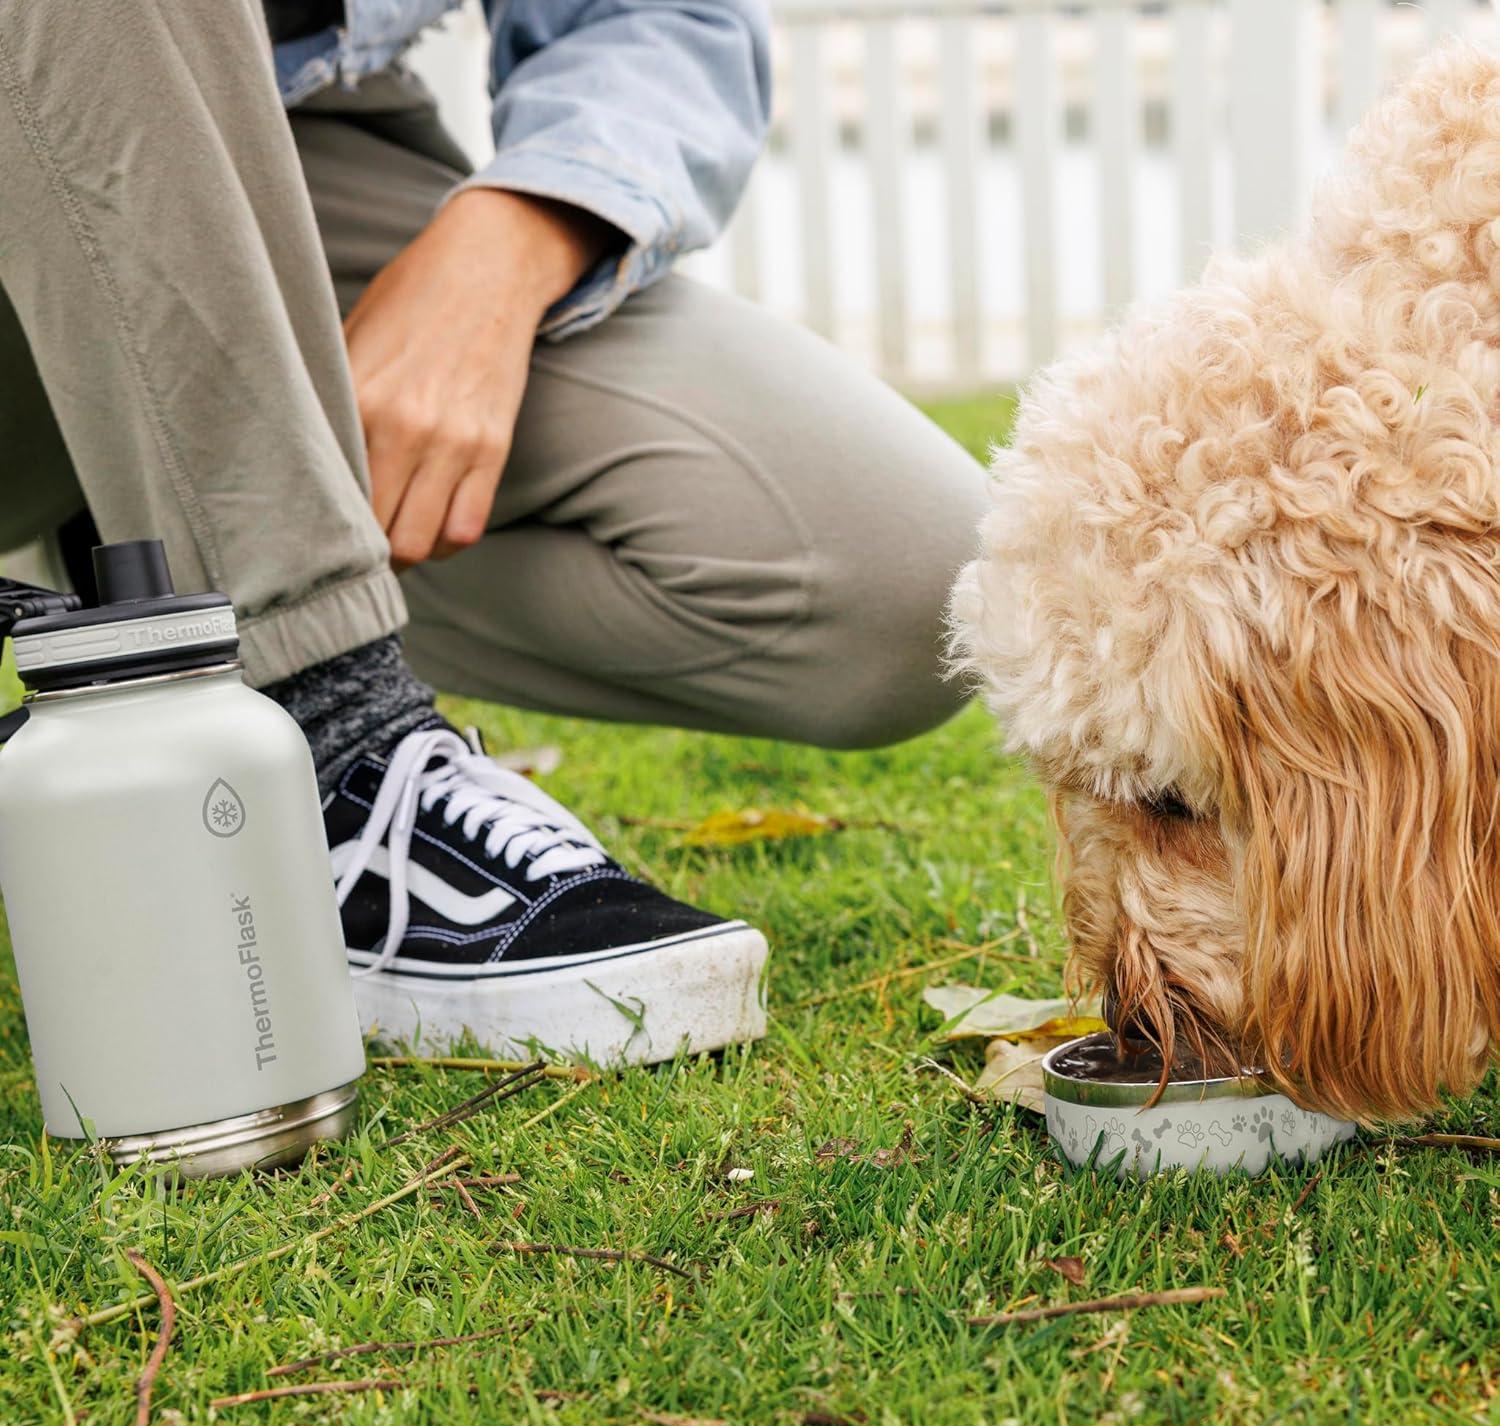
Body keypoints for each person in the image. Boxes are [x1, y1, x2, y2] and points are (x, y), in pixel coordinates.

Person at [0, 0, 986, 1065]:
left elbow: (659, 17)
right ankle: (329, 747)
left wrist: (508, 243)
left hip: (294, 131)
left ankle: (147, 603)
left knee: (907, 576)